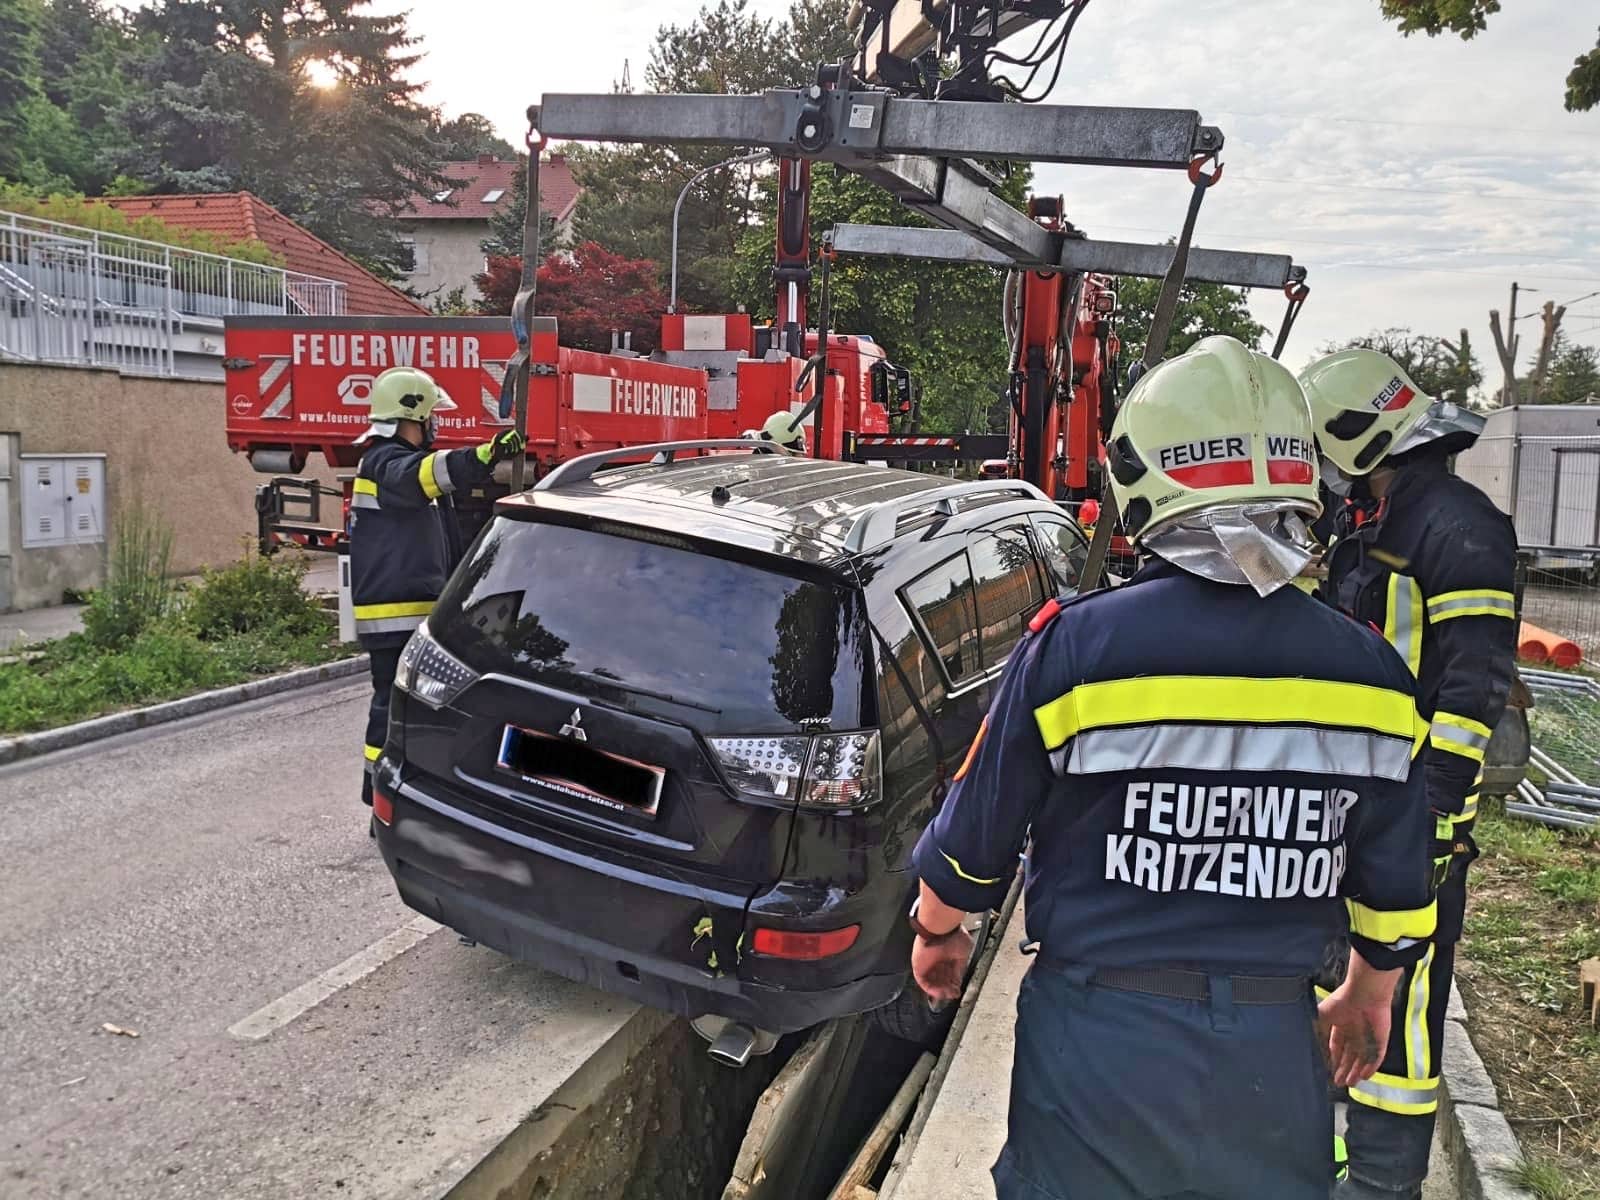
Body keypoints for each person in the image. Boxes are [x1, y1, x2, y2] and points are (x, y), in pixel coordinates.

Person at [908, 335, 1437, 1200]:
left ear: (1143, 476)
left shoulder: (1076, 648)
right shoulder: (1373, 675)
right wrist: (1368, 994)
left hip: (1097, 1043)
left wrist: (939, 932)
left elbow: (977, 835)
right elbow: (1397, 881)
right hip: (1270, 1049)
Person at [1301, 350, 1518, 1200]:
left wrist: (1434, 813)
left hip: (1410, 811)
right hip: (1362, 802)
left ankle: (1385, 1182)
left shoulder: (1455, 526)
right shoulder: (1384, 520)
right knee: (1349, 977)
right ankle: (1340, 1157)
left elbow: (1473, 685)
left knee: (1407, 998)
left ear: (1357, 438)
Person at [350, 365, 523, 806]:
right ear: (413, 415)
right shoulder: (384, 462)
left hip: (403, 610)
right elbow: (425, 474)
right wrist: (483, 457)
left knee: (411, 704)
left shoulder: (389, 462)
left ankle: (400, 792)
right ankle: (381, 797)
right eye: (431, 415)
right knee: (393, 706)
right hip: (395, 614)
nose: (435, 424)